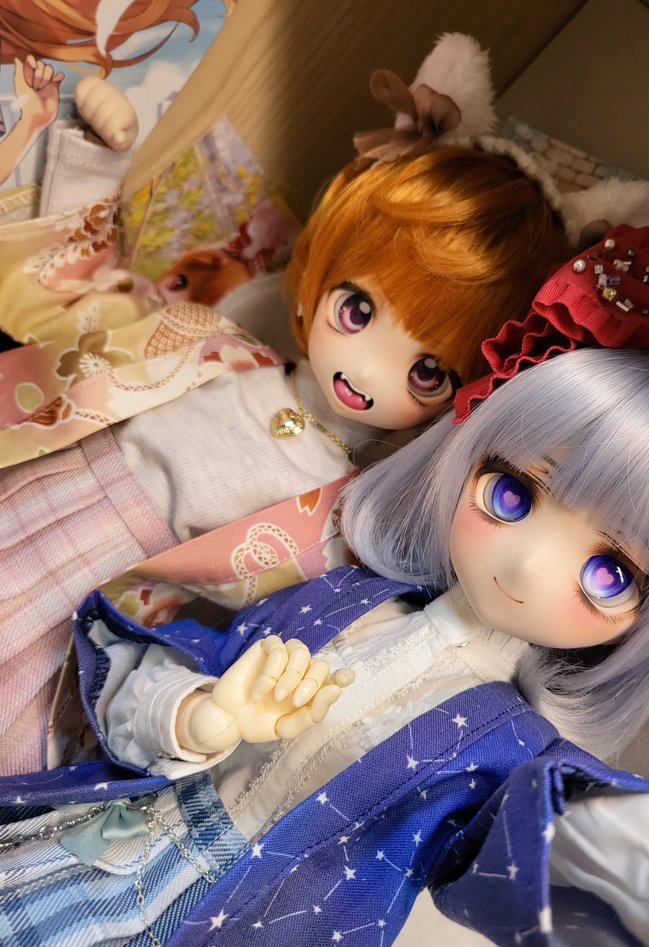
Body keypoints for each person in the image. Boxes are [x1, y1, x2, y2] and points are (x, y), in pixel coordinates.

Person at [2, 225, 649, 947]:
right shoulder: (343, 591)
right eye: (512, 493)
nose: (525, 567)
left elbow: (556, 842)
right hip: (85, 857)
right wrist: (200, 714)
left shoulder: (512, 750)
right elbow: (163, 657)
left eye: (610, 573)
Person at [1, 34, 579, 772]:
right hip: (25, 480)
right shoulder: (209, 342)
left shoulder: (336, 522)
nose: (367, 369)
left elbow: (209, 642)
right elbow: (78, 305)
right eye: (358, 309)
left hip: (83, 616)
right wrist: (95, 157)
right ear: (324, 266)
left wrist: (199, 715)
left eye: (429, 371)